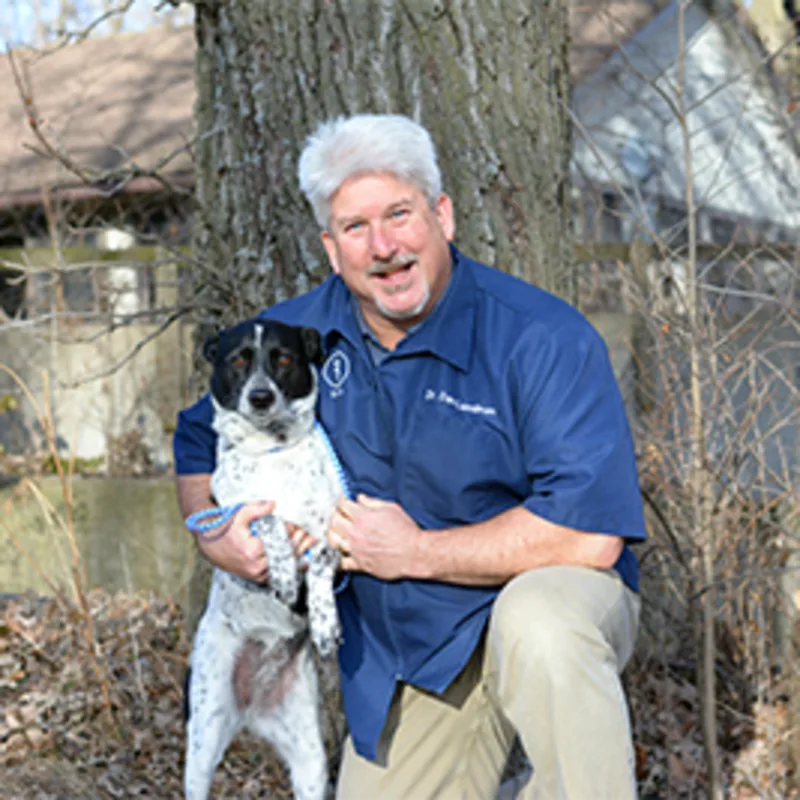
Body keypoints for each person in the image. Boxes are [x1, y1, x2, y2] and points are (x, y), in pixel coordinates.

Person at [173, 113, 646, 800]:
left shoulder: (540, 337)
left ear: (442, 216)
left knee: (540, 624)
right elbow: (197, 434)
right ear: (331, 248)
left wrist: (417, 552)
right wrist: (213, 532)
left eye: (399, 214)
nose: (384, 246)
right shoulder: (294, 341)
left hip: (548, 593)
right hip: (423, 653)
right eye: (355, 227)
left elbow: (590, 536)